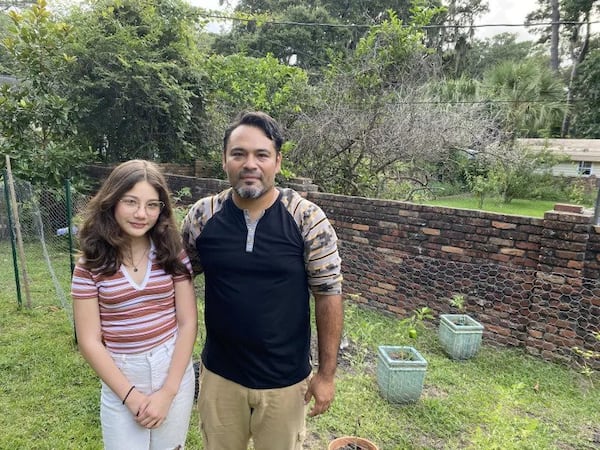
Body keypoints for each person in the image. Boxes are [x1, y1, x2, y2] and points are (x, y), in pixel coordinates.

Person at [181, 111, 344, 450]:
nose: (249, 164)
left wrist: (326, 376)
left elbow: (328, 295)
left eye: (261, 154)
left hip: (284, 383)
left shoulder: (306, 219)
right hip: (220, 377)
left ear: (278, 162)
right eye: (238, 154)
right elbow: (174, 277)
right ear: (225, 160)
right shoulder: (202, 217)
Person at [71, 160, 198, 450]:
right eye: (131, 202)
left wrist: (167, 392)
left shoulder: (172, 253)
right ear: (112, 201)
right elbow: (89, 340)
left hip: (173, 371)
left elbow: (188, 322)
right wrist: (131, 396)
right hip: (122, 377)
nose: (142, 214)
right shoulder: (89, 265)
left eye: (152, 205)